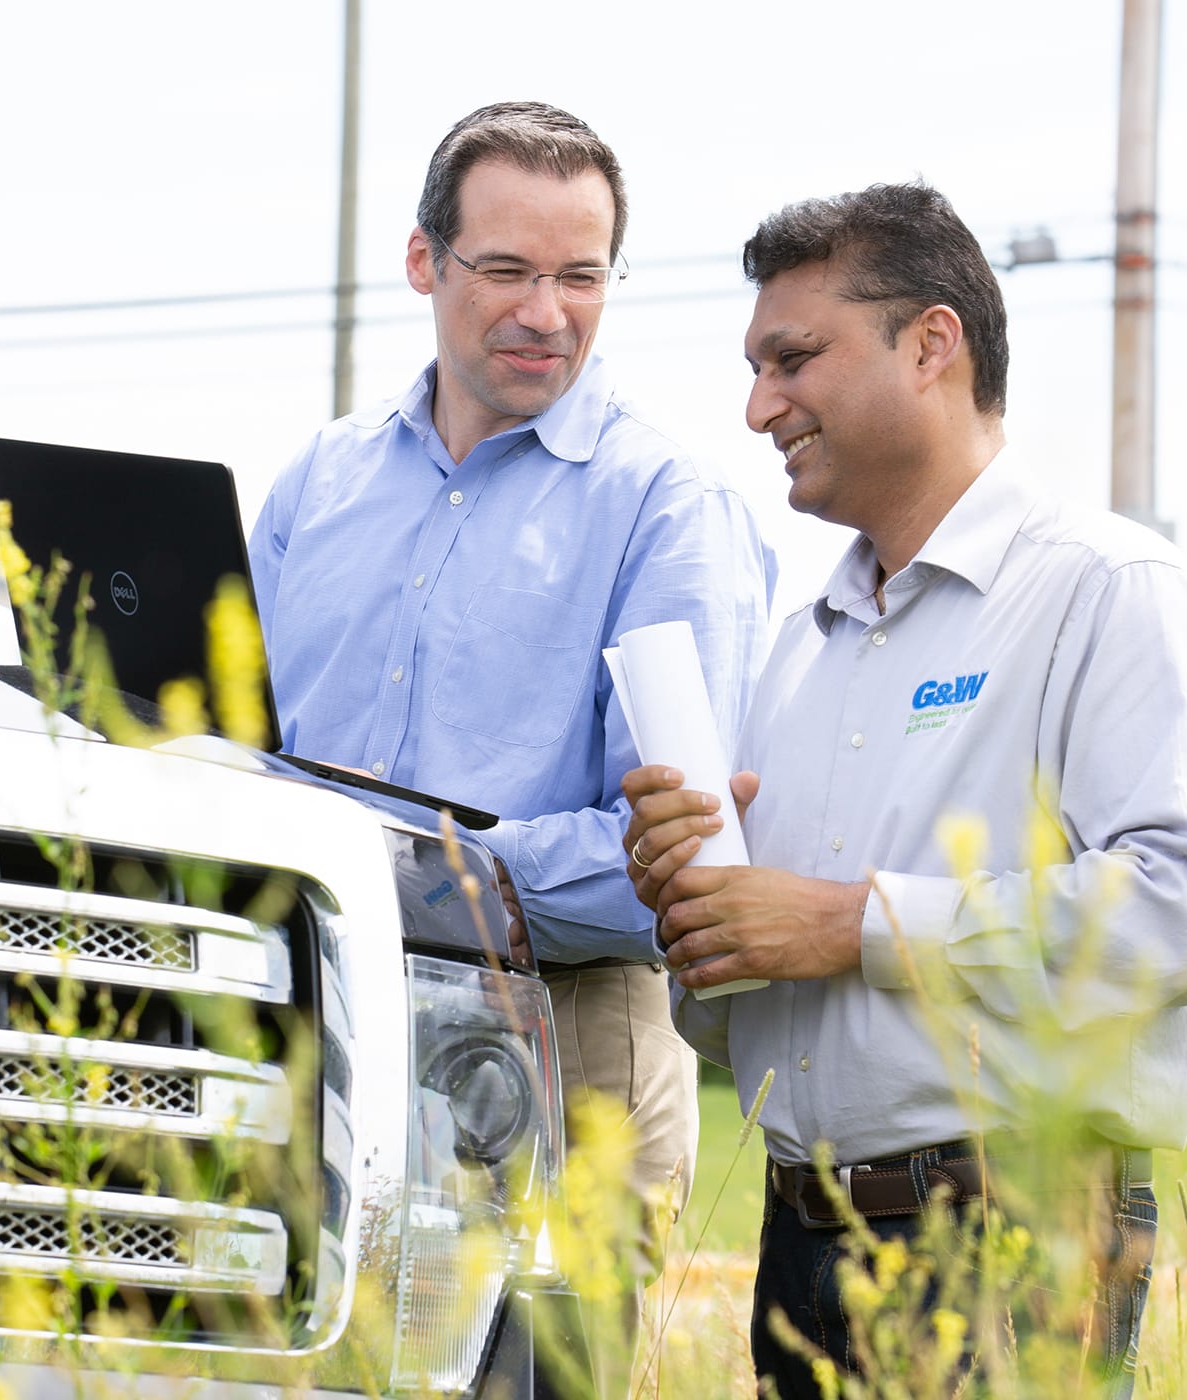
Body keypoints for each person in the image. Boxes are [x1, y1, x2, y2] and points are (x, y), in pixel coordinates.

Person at [621, 182, 1187, 1398]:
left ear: (929, 344)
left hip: (1009, 1234)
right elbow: (766, 1013)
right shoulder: (800, 649)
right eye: (756, 369)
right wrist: (701, 921)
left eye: (791, 358)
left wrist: (848, 920)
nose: (759, 407)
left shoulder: (1108, 593)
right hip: (802, 1245)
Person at [248, 101, 774, 1393]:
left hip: (561, 1046)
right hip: (299, 1022)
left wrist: (410, 869)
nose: (547, 310)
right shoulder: (321, 483)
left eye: (580, 276)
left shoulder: (665, 507)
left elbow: (681, 860)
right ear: (427, 263)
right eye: (507, 270)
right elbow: (247, 745)